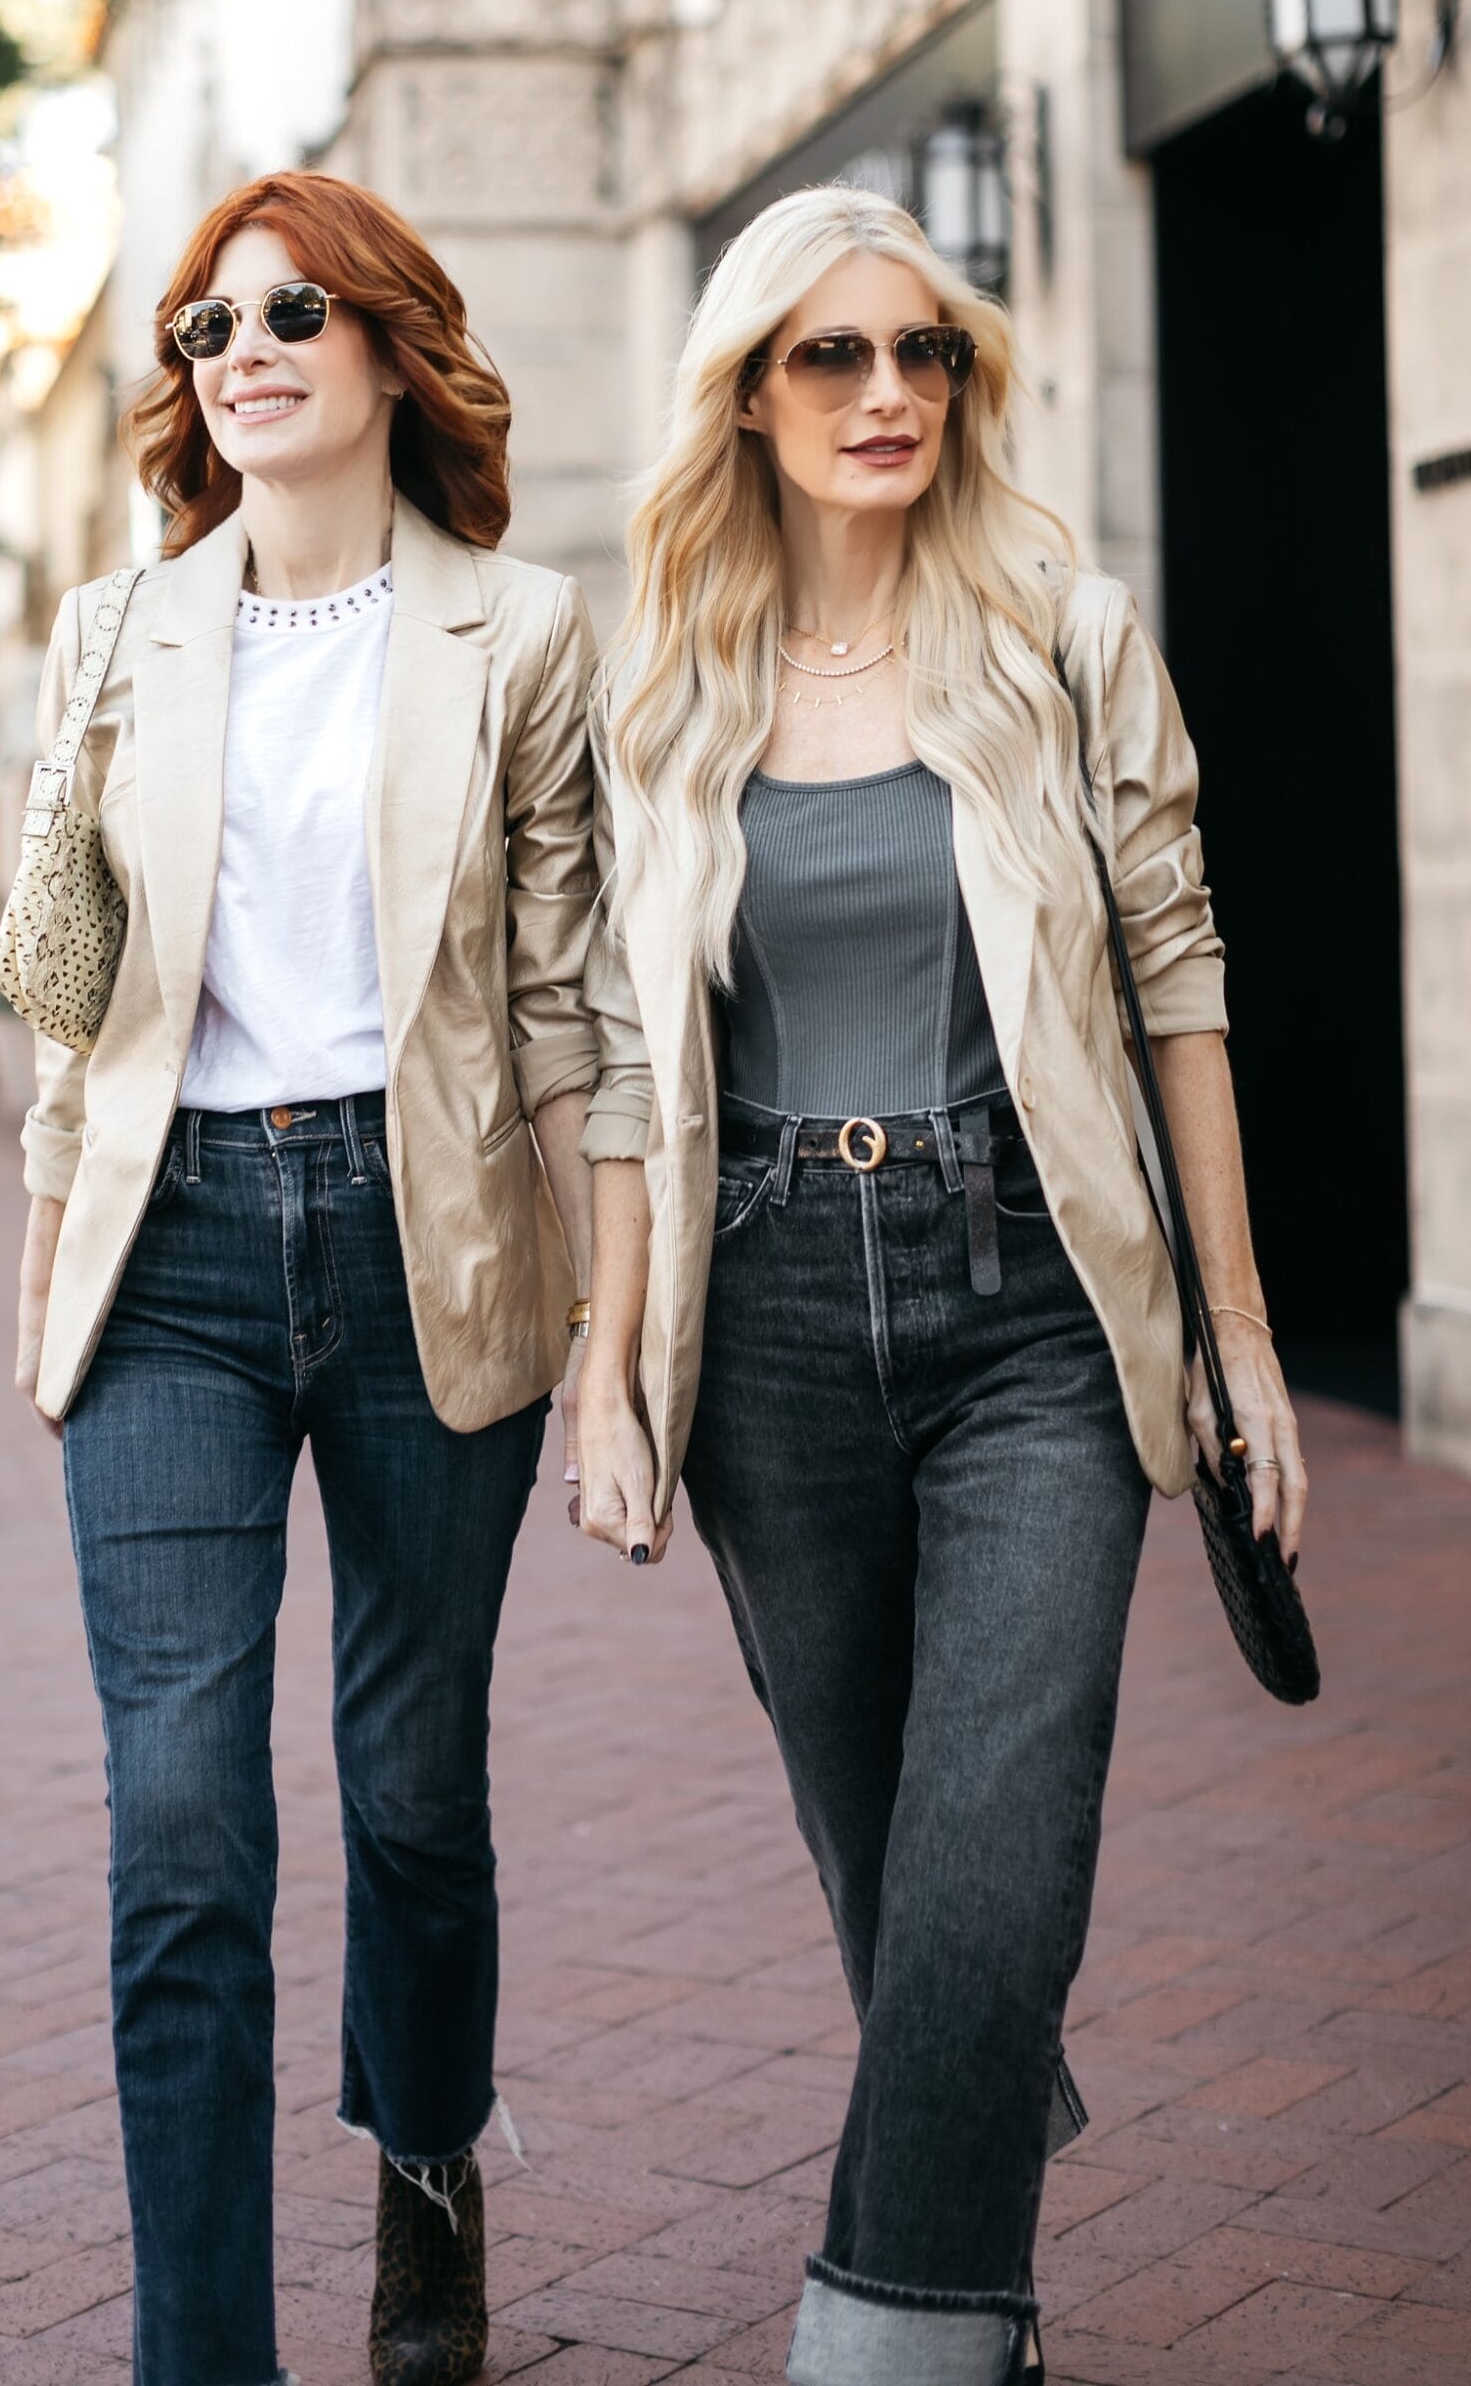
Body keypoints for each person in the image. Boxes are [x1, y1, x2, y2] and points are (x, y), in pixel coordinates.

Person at [572, 185, 1307, 2386]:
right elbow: (618, 1052)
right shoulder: (663, 673)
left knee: (1001, 1823)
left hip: (1034, 1308)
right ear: (749, 393)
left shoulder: (1060, 629)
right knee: (884, 1859)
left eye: (923, 354)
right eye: (831, 356)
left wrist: (1243, 1342)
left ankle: (890, 2337)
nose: (887, 394)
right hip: (768, 1308)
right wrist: (609, 1367)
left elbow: (1180, 978)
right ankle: (971, 2171)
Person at [11, 170, 600, 2386]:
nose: (236, 350)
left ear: (384, 348)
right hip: (165, 1258)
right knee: (179, 1824)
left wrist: (609, 1331)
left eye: (286, 313)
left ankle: (427, 2164)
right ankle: (205, 2355)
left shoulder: (519, 633)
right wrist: (51, 1255)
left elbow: (565, 1009)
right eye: (199, 328)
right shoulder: (112, 633)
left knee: (409, 1787)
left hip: (424, 1233)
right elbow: (72, 995)